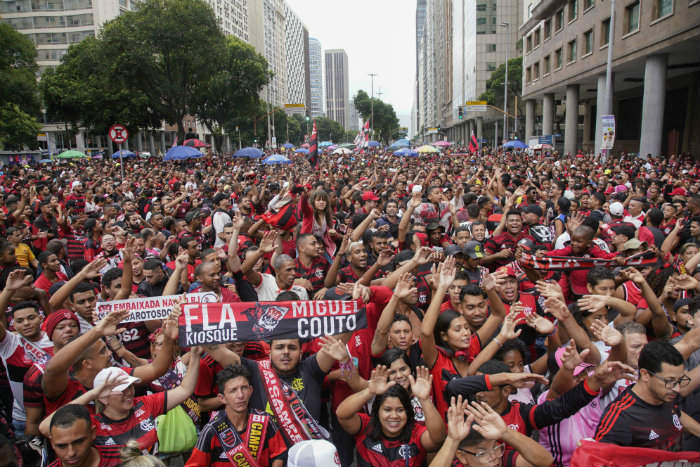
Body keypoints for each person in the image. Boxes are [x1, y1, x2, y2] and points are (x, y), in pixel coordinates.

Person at [595, 341, 700, 448]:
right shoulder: (621, 417)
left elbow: (677, 414)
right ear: (645, 374)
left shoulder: (665, 395)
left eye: (680, 380)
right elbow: (598, 457)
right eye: (670, 381)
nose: (677, 389)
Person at [336, 365, 445, 467]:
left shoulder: (416, 434)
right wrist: (369, 391)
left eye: (400, 410)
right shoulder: (366, 426)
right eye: (387, 410)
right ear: (377, 411)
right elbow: (342, 414)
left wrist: (425, 400)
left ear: (408, 412)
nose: (394, 416)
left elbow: (437, 439)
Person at [186, 365, 287, 467]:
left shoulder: (265, 420)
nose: (240, 395)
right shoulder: (211, 430)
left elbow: (279, 455)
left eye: (244, 388)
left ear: (251, 390)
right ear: (222, 398)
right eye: (233, 390)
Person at [430, 396, 554, 467]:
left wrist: (506, 432)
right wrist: (452, 440)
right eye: (482, 453)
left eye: (496, 447)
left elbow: (546, 461)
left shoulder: (505, 458)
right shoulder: (454, 464)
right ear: (462, 457)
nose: (494, 457)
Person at [46, 404, 121, 467]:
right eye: (62, 446)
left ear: (93, 433)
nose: (71, 453)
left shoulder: (124, 459)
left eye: (78, 442)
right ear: (52, 443)